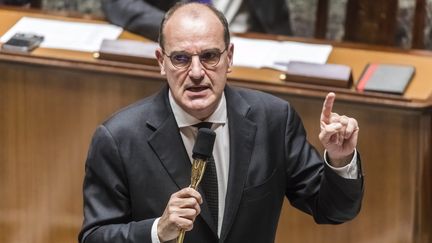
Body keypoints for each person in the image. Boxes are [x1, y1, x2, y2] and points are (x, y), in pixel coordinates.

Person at [79, 3, 364, 243]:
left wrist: (340, 161)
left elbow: (333, 210)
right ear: (160, 62)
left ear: (229, 58)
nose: (196, 72)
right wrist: (156, 230)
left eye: (209, 56)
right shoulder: (118, 138)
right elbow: (95, 236)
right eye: (180, 58)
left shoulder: (274, 120)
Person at [101, 0, 292, 42]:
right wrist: (179, 27)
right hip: (178, 46)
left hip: (245, 47)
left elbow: (276, 22)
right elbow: (118, 3)